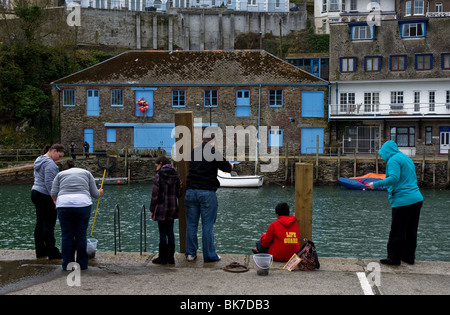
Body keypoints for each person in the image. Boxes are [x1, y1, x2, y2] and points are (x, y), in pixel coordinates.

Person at [365, 140, 423, 266]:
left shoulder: (393, 160)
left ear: (387, 151)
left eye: (382, 153)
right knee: (410, 230)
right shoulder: (406, 158)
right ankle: (409, 257)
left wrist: (374, 184)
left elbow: (394, 178)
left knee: (397, 230)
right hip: (416, 199)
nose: (382, 157)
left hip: (403, 200)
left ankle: (394, 258)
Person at [185, 136, 232, 262]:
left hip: (190, 191)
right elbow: (227, 168)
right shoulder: (212, 152)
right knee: (207, 225)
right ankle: (209, 255)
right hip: (206, 192)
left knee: (191, 224)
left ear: (201, 140)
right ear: (213, 142)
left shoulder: (193, 152)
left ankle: (190, 254)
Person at [51, 160, 104, 270]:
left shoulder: (60, 175)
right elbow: (95, 194)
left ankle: (67, 264)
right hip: (83, 203)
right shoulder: (87, 173)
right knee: (81, 234)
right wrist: (100, 193)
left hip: (64, 204)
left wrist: (56, 202)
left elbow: (53, 192)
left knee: (66, 235)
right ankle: (82, 264)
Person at [31, 144, 66, 259]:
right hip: (45, 195)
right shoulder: (50, 164)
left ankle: (40, 251)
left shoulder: (39, 160)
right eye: (59, 156)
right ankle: (52, 252)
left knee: (40, 223)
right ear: (54, 151)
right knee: (49, 224)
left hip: (35, 192)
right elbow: (49, 183)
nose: (59, 159)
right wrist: (55, 200)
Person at [149, 156, 182, 265]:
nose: (156, 169)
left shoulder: (159, 176)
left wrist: (152, 209)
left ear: (161, 163)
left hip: (161, 208)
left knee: (162, 233)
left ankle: (162, 258)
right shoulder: (176, 175)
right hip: (172, 208)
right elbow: (179, 194)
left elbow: (155, 195)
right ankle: (171, 258)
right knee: (170, 232)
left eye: (156, 166)